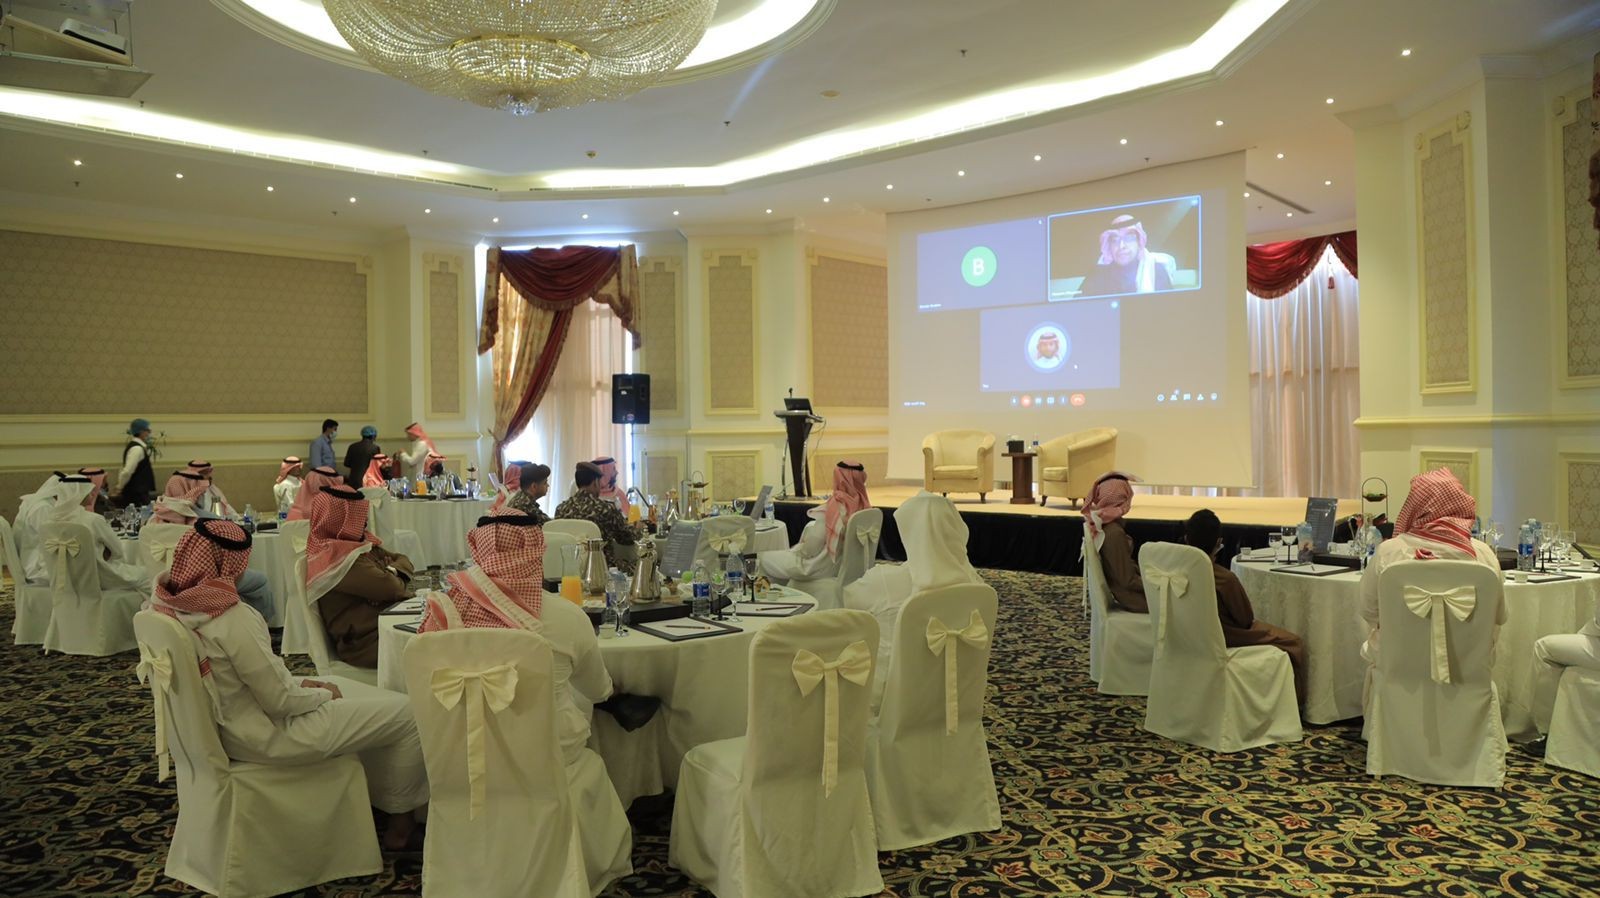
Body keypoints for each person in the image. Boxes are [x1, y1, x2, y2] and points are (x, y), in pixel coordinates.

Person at [148, 519, 427, 850]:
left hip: (222, 728)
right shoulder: (231, 617)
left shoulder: (164, 605)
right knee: (409, 714)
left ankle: (371, 795)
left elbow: (237, 679)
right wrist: (320, 694)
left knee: (335, 683)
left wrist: (302, 683)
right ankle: (401, 824)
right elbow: (280, 702)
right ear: (231, 563)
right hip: (268, 734)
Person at [419, 508, 611, 762]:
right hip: (553, 759)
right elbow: (598, 691)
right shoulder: (569, 616)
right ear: (537, 548)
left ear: (477, 549)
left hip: (464, 757)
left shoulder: (442, 613)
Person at [843, 490, 982, 712]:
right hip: (956, 698)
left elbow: (847, 599)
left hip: (892, 700)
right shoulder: (978, 588)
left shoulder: (885, 581)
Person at [1358, 469, 1502, 663]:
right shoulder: (1484, 554)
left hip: (1397, 666)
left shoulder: (1389, 552)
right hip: (1470, 667)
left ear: (1415, 506)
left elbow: (1369, 611)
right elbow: (1498, 616)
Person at [1184, 509, 1307, 706]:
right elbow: (1245, 619)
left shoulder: (1176, 570)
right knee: (1294, 643)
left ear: (1186, 539)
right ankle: (1294, 708)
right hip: (1226, 636)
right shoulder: (1224, 578)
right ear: (1218, 543)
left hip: (1189, 635)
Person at [306, 486, 415, 668]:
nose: (364, 520)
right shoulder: (335, 559)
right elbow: (392, 588)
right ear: (340, 518)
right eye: (357, 513)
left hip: (384, 625)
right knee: (437, 642)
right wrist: (389, 576)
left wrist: (389, 571)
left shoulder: (360, 546)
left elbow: (404, 559)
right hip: (365, 643)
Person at [759, 461, 871, 582]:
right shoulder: (865, 507)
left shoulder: (836, 507)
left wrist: (797, 551)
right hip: (845, 568)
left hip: (817, 568)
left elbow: (810, 548)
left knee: (762, 558)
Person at [41, 474, 151, 591]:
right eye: (88, 491)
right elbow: (118, 551)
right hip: (99, 576)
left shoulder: (48, 522)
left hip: (62, 577)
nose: (93, 495)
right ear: (79, 494)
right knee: (148, 575)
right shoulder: (93, 520)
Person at [554, 461, 641, 570]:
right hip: (602, 568)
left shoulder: (561, 509)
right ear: (595, 482)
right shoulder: (605, 508)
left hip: (570, 569)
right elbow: (626, 539)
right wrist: (637, 528)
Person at [1082, 471, 1145, 612]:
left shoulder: (1101, 526)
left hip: (1131, 594)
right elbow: (1127, 580)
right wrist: (1157, 585)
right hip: (1136, 600)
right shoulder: (1113, 533)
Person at [1079, 213, 1177, 298]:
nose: (1121, 246)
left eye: (1129, 238)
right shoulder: (1097, 274)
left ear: (1139, 242)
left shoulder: (1156, 270)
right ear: (1109, 245)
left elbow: (1169, 310)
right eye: (1115, 240)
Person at [16, 471, 69, 582]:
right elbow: (52, 539)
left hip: (33, 559)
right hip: (37, 567)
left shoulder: (37, 502)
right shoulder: (43, 508)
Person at [115, 418, 157, 507]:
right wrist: (119, 487)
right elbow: (127, 471)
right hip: (136, 493)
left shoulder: (137, 447)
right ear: (141, 432)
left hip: (138, 491)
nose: (149, 433)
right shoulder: (136, 449)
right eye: (148, 430)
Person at [343, 426, 382, 490]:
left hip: (353, 481)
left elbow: (346, 463)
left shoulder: (352, 446)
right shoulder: (375, 448)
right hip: (368, 481)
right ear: (373, 436)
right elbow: (377, 466)